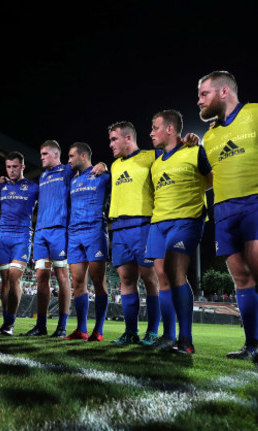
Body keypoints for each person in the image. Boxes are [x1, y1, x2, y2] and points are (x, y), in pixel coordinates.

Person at [198, 70, 258, 364]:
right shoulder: (209, 136)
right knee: (240, 277)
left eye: (204, 94)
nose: (199, 101)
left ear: (224, 92)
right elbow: (207, 176)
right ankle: (253, 343)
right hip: (224, 210)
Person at [145, 110, 212, 354]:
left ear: (171, 129)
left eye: (155, 127)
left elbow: (211, 179)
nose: (151, 133)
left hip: (186, 219)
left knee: (176, 272)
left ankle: (186, 340)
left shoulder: (194, 150)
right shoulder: (155, 162)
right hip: (158, 222)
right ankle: (168, 335)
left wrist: (193, 193)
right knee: (162, 275)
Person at [22, 140, 104, 337]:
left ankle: (62, 326)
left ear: (55, 155)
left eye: (44, 154)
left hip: (60, 230)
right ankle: (41, 325)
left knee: (62, 277)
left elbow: (87, 168)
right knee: (41, 278)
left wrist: (102, 165)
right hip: (41, 231)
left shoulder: (68, 170)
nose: (41, 157)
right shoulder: (42, 177)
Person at [107, 121, 163, 347]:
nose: (111, 144)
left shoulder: (152, 156)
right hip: (119, 228)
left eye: (114, 139)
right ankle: (130, 332)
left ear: (128, 138)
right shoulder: (114, 165)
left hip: (144, 224)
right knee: (126, 280)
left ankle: (152, 332)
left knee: (150, 279)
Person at [64, 142, 111, 340]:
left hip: (95, 231)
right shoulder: (73, 179)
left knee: (98, 281)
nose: (69, 160)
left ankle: (98, 330)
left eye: (71, 156)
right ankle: (81, 329)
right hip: (74, 234)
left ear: (83, 156)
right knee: (77, 282)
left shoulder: (102, 175)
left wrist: (105, 165)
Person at [0, 152, 39, 336]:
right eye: (8, 167)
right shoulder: (1, 188)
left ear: (22, 167)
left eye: (15, 166)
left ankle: (11, 323)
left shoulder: (33, 187)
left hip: (22, 236)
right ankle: (6, 321)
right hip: (3, 235)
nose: (11, 170)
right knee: (4, 281)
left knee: (14, 279)